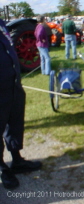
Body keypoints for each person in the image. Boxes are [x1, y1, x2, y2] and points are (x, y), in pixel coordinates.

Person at [0, 18, 42, 190]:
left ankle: (17, 160)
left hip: (13, 84)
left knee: (15, 123)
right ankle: (3, 168)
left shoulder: (1, 24)